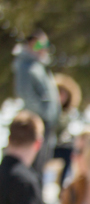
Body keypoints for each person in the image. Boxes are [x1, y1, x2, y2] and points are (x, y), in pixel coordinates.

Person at [12, 29, 61, 183]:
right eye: (41, 43)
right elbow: (26, 93)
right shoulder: (25, 65)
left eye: (46, 44)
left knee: (41, 166)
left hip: (45, 123)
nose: (44, 48)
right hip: (37, 123)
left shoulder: (38, 65)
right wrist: (44, 112)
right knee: (34, 167)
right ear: (31, 43)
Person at [52, 73, 82, 187]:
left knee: (71, 152)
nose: (61, 97)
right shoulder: (50, 111)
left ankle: (62, 184)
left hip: (59, 145)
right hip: (47, 146)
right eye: (59, 93)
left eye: (64, 94)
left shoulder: (68, 114)